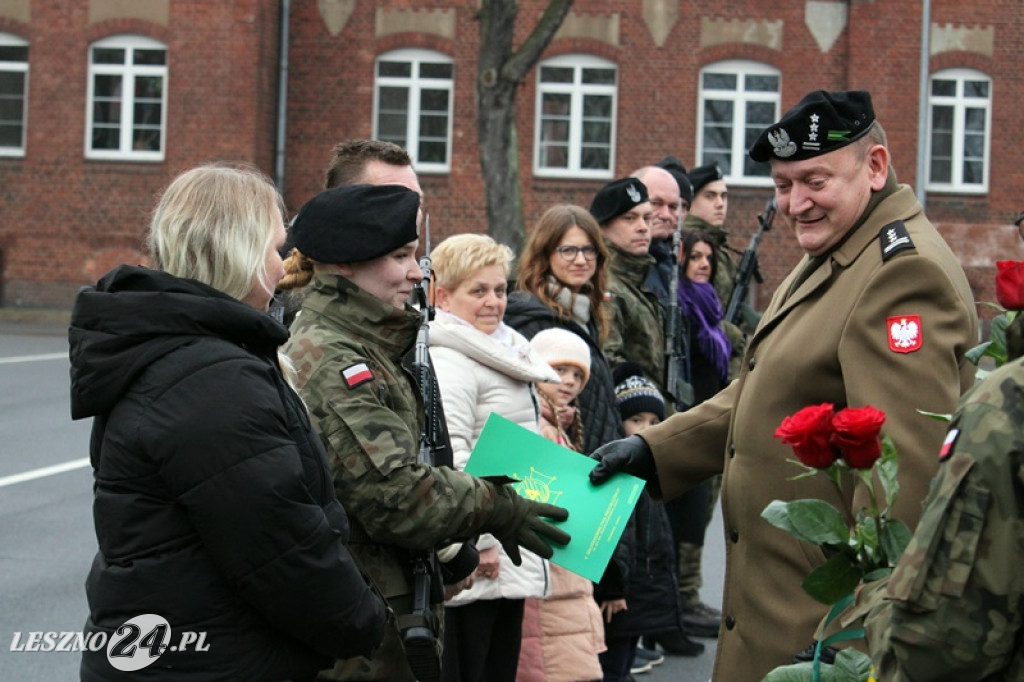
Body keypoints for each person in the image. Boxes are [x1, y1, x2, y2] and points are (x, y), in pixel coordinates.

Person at [589, 89, 980, 681]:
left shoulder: (901, 274)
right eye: (781, 185)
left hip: (816, 635)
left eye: (814, 181)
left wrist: (853, 639)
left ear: (875, 167)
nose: (796, 204)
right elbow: (770, 389)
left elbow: (904, 488)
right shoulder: (841, 248)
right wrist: (655, 450)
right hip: (782, 617)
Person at [69, 164, 389, 681]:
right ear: (237, 252)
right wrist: (363, 622)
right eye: (273, 247)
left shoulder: (191, 352)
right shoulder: (211, 378)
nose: (283, 264)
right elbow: (281, 548)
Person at [280, 183, 571, 682]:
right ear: (346, 264)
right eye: (401, 256)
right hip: (360, 634)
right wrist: (499, 506)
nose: (417, 272)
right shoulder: (333, 358)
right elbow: (396, 494)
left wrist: (448, 552)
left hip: (384, 613)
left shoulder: (369, 343)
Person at [427, 233, 560, 682]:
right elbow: (453, 458)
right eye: (478, 290)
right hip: (486, 550)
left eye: (500, 290)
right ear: (442, 296)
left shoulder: (502, 347)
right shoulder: (452, 359)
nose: (493, 302)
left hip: (507, 540)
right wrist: (480, 543)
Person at [517, 328, 606, 682]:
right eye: (559, 370)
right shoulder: (537, 428)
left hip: (562, 577)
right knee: (552, 666)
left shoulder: (557, 427)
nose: (568, 381)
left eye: (577, 375)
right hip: (548, 576)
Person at [504, 204, 623, 456]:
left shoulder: (585, 315)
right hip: (557, 469)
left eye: (588, 250)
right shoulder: (530, 320)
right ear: (545, 254)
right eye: (568, 250)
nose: (580, 260)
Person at [660, 229, 732, 641]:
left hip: (713, 414)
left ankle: (690, 595)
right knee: (686, 514)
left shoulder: (709, 305)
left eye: (709, 258)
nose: (703, 264)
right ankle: (681, 600)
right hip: (690, 415)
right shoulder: (682, 304)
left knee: (700, 514)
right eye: (696, 257)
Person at [596, 364, 683, 681]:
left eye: (654, 422)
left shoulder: (651, 471)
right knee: (612, 667)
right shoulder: (619, 472)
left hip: (641, 590)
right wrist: (613, 587)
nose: (646, 428)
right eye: (636, 420)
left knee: (624, 664)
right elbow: (613, 535)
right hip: (620, 593)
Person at [589, 177, 665, 393]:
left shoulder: (637, 280)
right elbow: (609, 362)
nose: (643, 228)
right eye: (630, 219)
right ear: (603, 227)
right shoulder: (606, 286)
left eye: (647, 218)